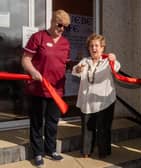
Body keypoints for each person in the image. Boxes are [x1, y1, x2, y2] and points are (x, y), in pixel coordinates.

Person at [21, 9, 71, 167]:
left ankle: (51, 149)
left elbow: (65, 65)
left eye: (65, 27)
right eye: (60, 25)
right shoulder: (38, 37)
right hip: (38, 88)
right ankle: (37, 153)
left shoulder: (65, 43)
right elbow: (25, 60)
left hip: (57, 90)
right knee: (37, 122)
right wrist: (33, 71)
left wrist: (79, 67)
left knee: (52, 122)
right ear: (52, 21)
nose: (62, 29)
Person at [72, 33, 121, 158]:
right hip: (87, 102)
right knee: (87, 128)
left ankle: (104, 152)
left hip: (104, 102)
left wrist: (113, 59)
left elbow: (116, 67)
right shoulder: (85, 61)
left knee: (103, 129)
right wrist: (78, 69)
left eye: (97, 46)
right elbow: (76, 70)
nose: (94, 48)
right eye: (91, 46)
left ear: (102, 48)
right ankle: (86, 151)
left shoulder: (107, 61)